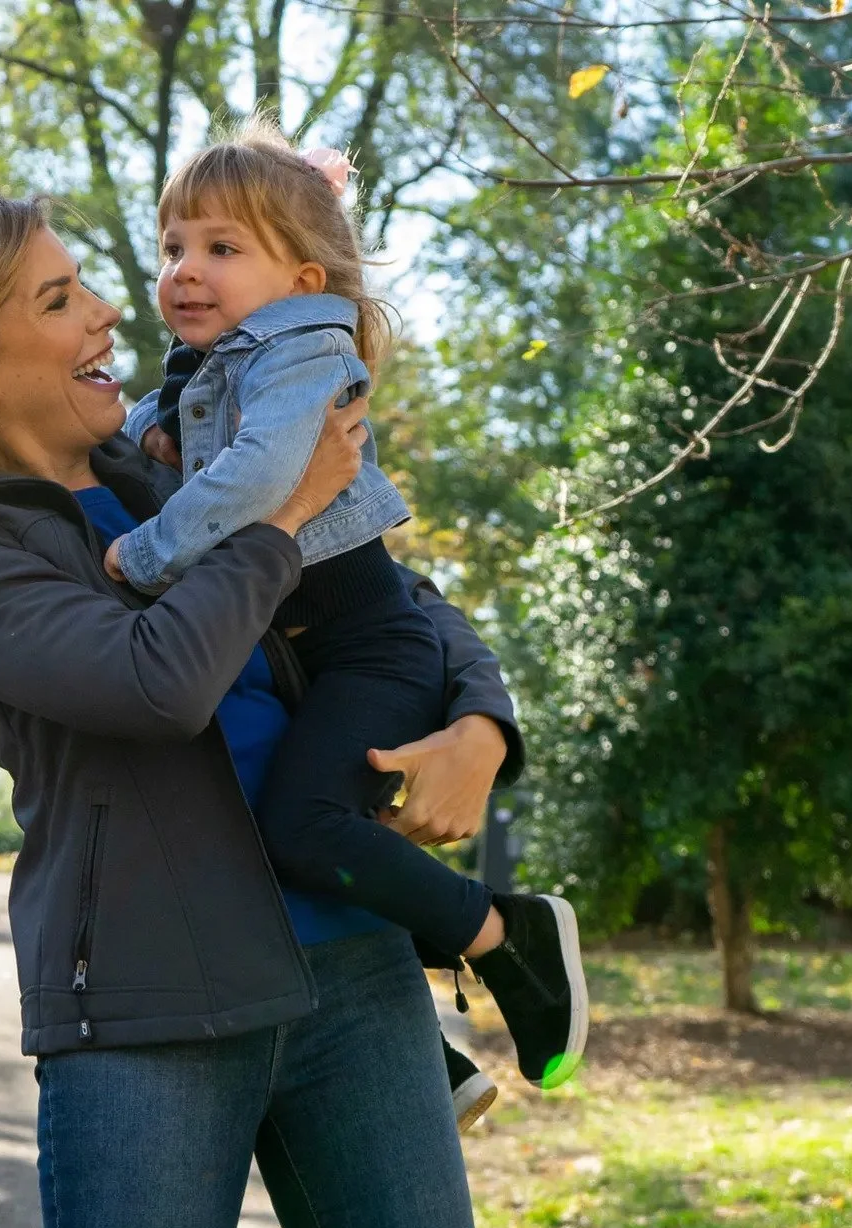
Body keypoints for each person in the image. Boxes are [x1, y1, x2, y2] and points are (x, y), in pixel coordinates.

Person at [0, 186, 512, 1228]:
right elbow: (156, 682)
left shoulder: (178, 464)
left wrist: (482, 725)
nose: (109, 311)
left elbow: (391, 598)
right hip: (151, 1009)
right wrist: (282, 512)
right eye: (58, 300)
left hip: (356, 974)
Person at [113, 122, 585, 1099]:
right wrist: (144, 442)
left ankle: (506, 935)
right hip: (310, 655)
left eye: (221, 247)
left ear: (302, 279)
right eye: (172, 246)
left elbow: (259, 476)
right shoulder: (206, 368)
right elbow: (159, 435)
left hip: (366, 647)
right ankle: (427, 1054)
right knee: (273, 828)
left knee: (303, 824)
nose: (184, 270)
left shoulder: (302, 352)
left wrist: (144, 552)